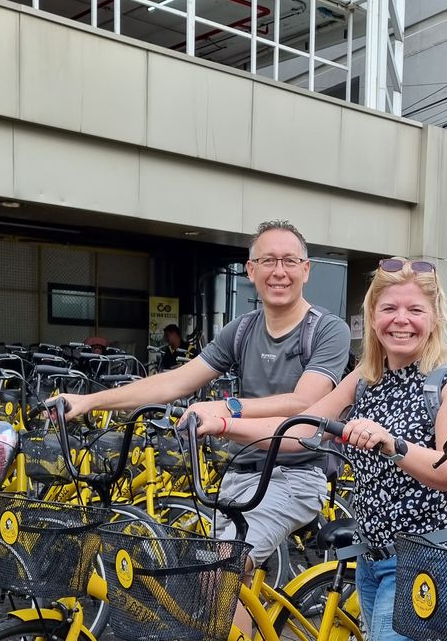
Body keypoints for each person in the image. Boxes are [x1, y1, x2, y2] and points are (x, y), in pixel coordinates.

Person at [194, 257, 447, 641]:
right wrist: (224, 425)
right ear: (373, 316)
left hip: (430, 559)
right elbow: (296, 432)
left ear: (434, 317)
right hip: (373, 559)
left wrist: (391, 444)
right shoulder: (364, 380)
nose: (401, 319)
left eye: (415, 310)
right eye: (389, 308)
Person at [59, 220, 351, 582]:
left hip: (293, 477)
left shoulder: (326, 329)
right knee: (226, 592)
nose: (279, 272)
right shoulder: (242, 329)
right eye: (268, 261)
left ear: (306, 270)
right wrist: (89, 402)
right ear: (251, 270)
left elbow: (304, 402)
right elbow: (174, 382)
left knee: (217, 577)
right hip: (238, 476)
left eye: (290, 261)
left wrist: (229, 408)